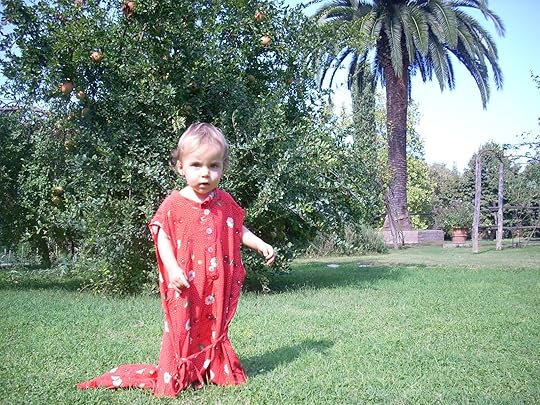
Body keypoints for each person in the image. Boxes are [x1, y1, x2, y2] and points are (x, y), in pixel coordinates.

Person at [77, 122, 275, 397]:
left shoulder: (224, 201)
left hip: (215, 283)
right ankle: (179, 370)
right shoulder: (173, 204)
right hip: (185, 281)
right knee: (183, 324)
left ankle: (213, 367)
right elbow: (161, 235)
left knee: (214, 322)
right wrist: (171, 268)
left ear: (223, 167)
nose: (205, 173)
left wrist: (260, 244)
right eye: (196, 165)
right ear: (180, 167)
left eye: (214, 166)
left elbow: (237, 227)